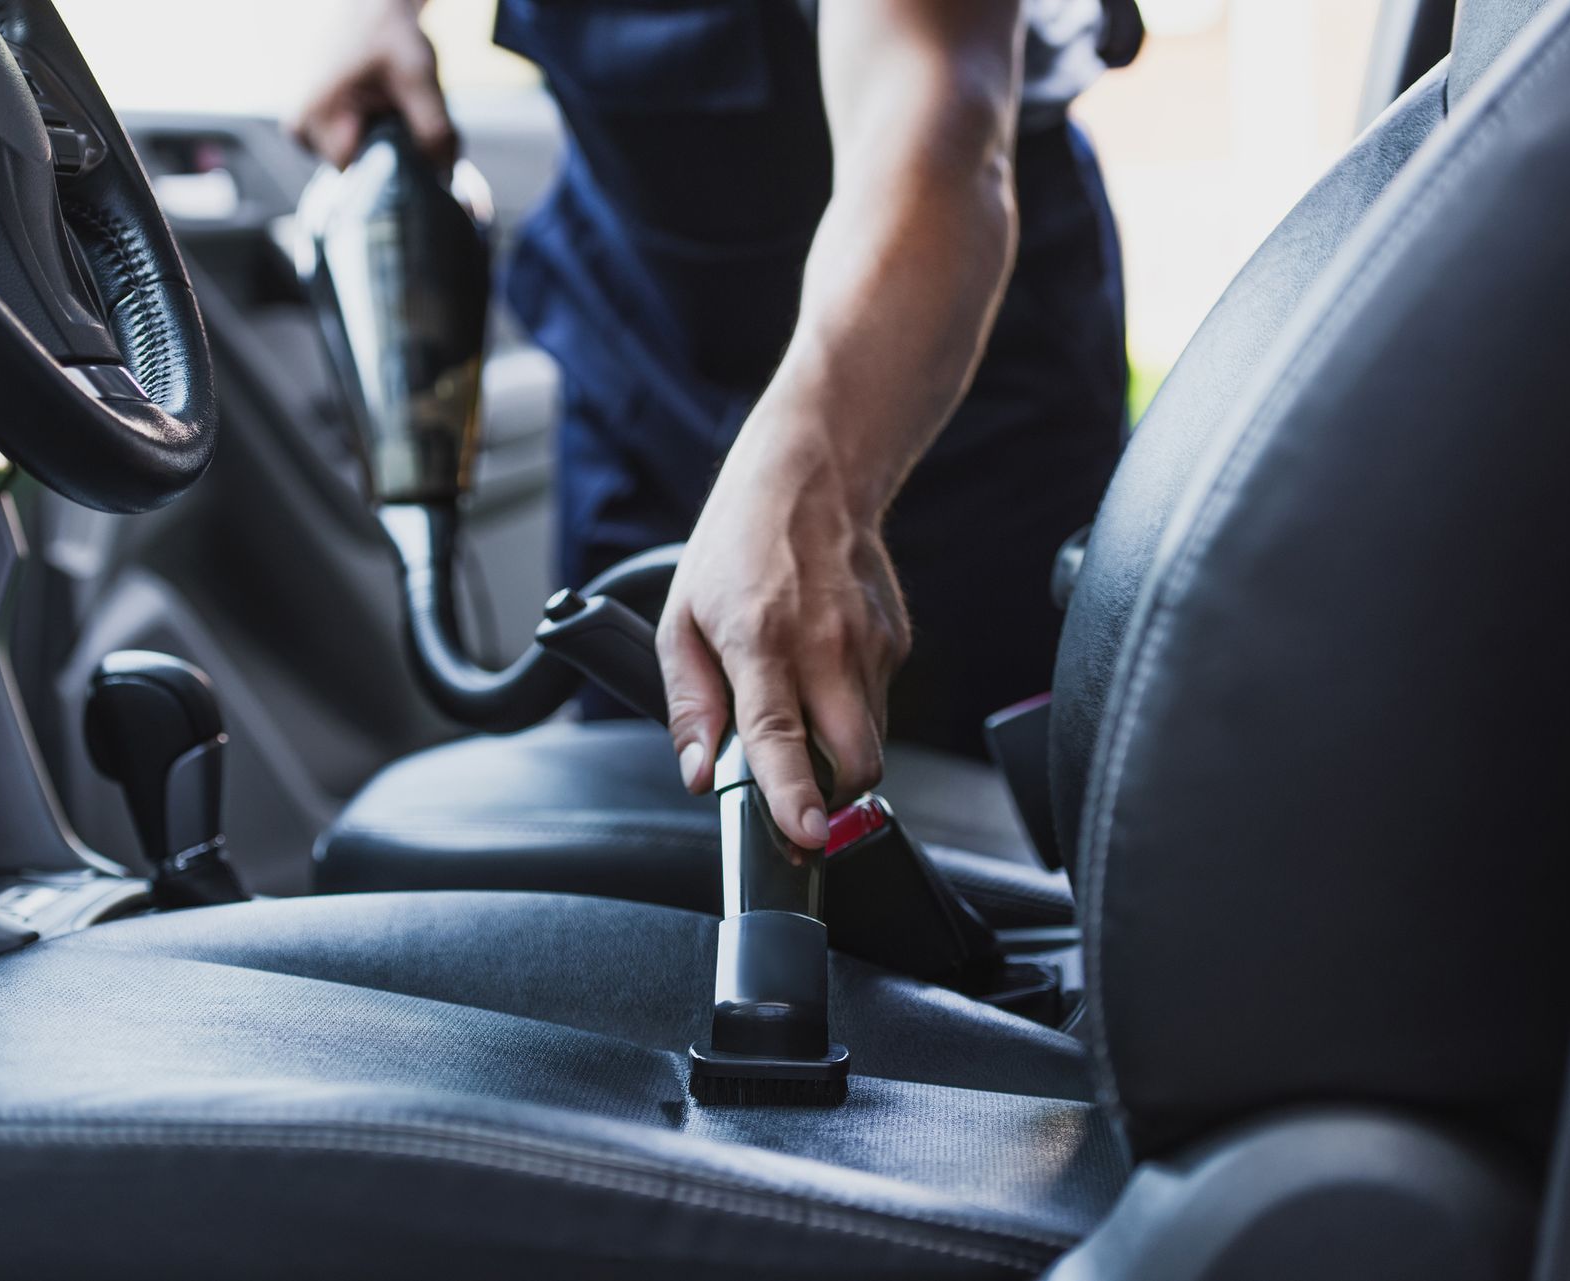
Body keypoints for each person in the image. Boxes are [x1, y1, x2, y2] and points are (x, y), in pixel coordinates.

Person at [300, 0, 1133, 851]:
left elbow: (933, 119)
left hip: (944, 354)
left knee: (992, 852)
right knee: (650, 801)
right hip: (641, 318)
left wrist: (820, 479)